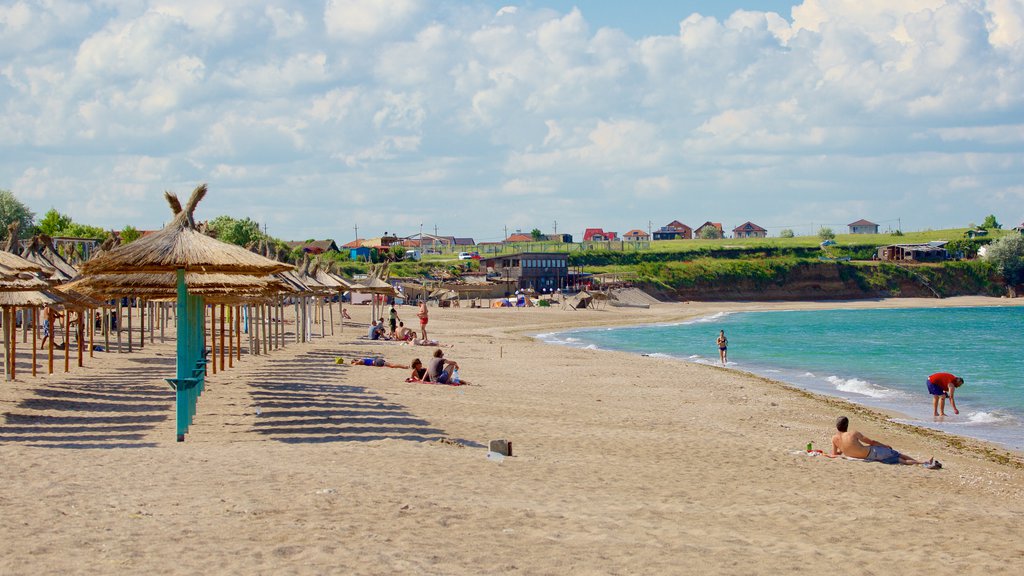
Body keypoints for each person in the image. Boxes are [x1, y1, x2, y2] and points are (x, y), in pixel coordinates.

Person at [831, 416, 937, 467]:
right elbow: (871, 442)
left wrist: (843, 450)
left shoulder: (834, 438)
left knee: (899, 459)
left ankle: (923, 462)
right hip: (872, 453)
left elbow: (834, 454)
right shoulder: (852, 433)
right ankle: (924, 462)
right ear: (847, 425)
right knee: (899, 457)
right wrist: (885, 445)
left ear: (837, 426)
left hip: (862, 456)